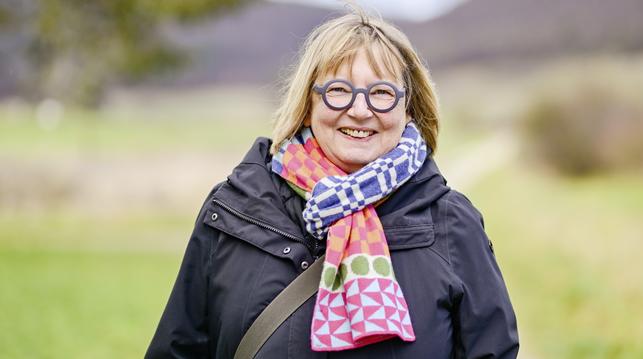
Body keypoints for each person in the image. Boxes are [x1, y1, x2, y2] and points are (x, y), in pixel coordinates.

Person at [146, 7, 519, 359]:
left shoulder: (453, 225)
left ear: (408, 109)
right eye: (339, 90)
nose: (360, 110)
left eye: (382, 93)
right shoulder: (233, 210)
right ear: (308, 102)